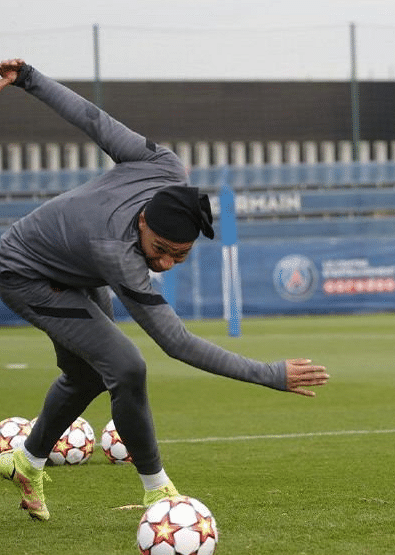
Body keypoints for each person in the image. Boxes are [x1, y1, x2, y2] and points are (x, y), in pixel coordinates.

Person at [0, 59, 329, 520]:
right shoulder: (117, 251)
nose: (166, 263)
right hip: (24, 272)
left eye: (181, 255)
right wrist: (268, 374)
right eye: (160, 250)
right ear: (142, 222)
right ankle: (157, 490)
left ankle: (26, 461)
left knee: (89, 375)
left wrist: (30, 79)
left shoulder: (163, 165)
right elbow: (176, 343)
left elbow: (93, 119)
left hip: (73, 267)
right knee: (126, 366)